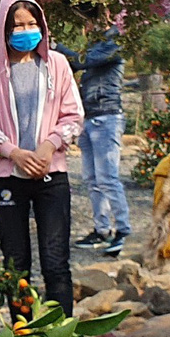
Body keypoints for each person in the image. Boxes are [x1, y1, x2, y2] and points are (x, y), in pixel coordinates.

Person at [0, 0, 84, 315]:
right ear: (3, 29)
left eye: (32, 24)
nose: (26, 31)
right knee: (15, 262)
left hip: (52, 174)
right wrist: (14, 152)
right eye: (18, 25)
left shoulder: (57, 64)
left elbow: (74, 116)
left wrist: (49, 146)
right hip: (7, 177)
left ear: (42, 26)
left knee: (55, 259)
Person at [60, 13, 130, 257]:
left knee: (108, 178)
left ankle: (122, 231)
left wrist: (56, 46)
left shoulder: (116, 43)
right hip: (89, 118)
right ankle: (102, 230)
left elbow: (82, 61)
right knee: (91, 178)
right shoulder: (96, 44)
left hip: (107, 117)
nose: (88, 24)